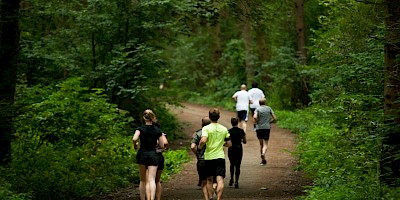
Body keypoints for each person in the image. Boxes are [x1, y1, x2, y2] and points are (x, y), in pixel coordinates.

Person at [132, 109, 166, 200]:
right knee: (152, 179)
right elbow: (162, 145)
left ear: (144, 117)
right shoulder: (157, 130)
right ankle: (152, 198)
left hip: (142, 154)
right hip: (153, 155)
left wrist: (135, 145)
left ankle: (143, 198)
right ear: (152, 117)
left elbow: (134, 139)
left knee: (142, 180)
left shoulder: (140, 129)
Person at [199, 108, 232, 200]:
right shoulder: (224, 129)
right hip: (220, 157)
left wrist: (200, 146)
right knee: (220, 179)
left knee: (209, 179)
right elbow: (229, 144)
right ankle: (219, 198)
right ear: (219, 117)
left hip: (208, 157)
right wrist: (221, 143)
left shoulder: (206, 128)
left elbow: (203, 140)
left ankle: (210, 197)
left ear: (209, 117)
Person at [191, 117, 213, 200]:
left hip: (202, 159)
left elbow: (192, 146)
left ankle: (206, 198)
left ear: (202, 123)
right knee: (210, 179)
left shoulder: (198, 133)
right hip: (212, 158)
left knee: (203, 181)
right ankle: (211, 196)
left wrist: (197, 153)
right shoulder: (214, 133)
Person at [253, 98, 277, 165]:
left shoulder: (257, 109)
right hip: (266, 127)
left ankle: (263, 160)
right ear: (265, 102)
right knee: (265, 144)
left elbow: (255, 117)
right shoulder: (269, 108)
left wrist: (257, 121)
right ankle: (263, 153)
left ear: (259, 103)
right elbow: (275, 118)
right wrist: (270, 122)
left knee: (261, 144)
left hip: (259, 128)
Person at [227, 117, 246, 188]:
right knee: (238, 165)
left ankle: (231, 179)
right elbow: (245, 141)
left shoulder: (229, 131)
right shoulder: (241, 131)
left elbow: (227, 140)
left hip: (231, 148)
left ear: (231, 123)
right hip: (238, 148)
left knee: (232, 164)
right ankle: (236, 181)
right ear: (237, 122)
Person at [154, 121, 169, 200]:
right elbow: (166, 143)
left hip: (149, 156)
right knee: (157, 180)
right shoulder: (161, 134)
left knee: (149, 180)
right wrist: (164, 148)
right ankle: (158, 198)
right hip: (159, 156)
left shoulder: (147, 133)